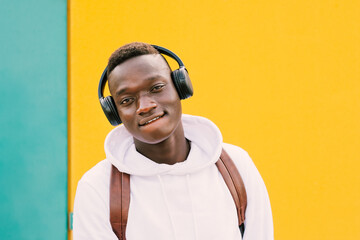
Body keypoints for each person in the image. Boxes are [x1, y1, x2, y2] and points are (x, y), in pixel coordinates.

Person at [73, 42, 273, 239]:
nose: (144, 106)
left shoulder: (235, 164)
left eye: (156, 87)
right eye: (126, 100)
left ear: (180, 86)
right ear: (114, 113)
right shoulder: (97, 187)